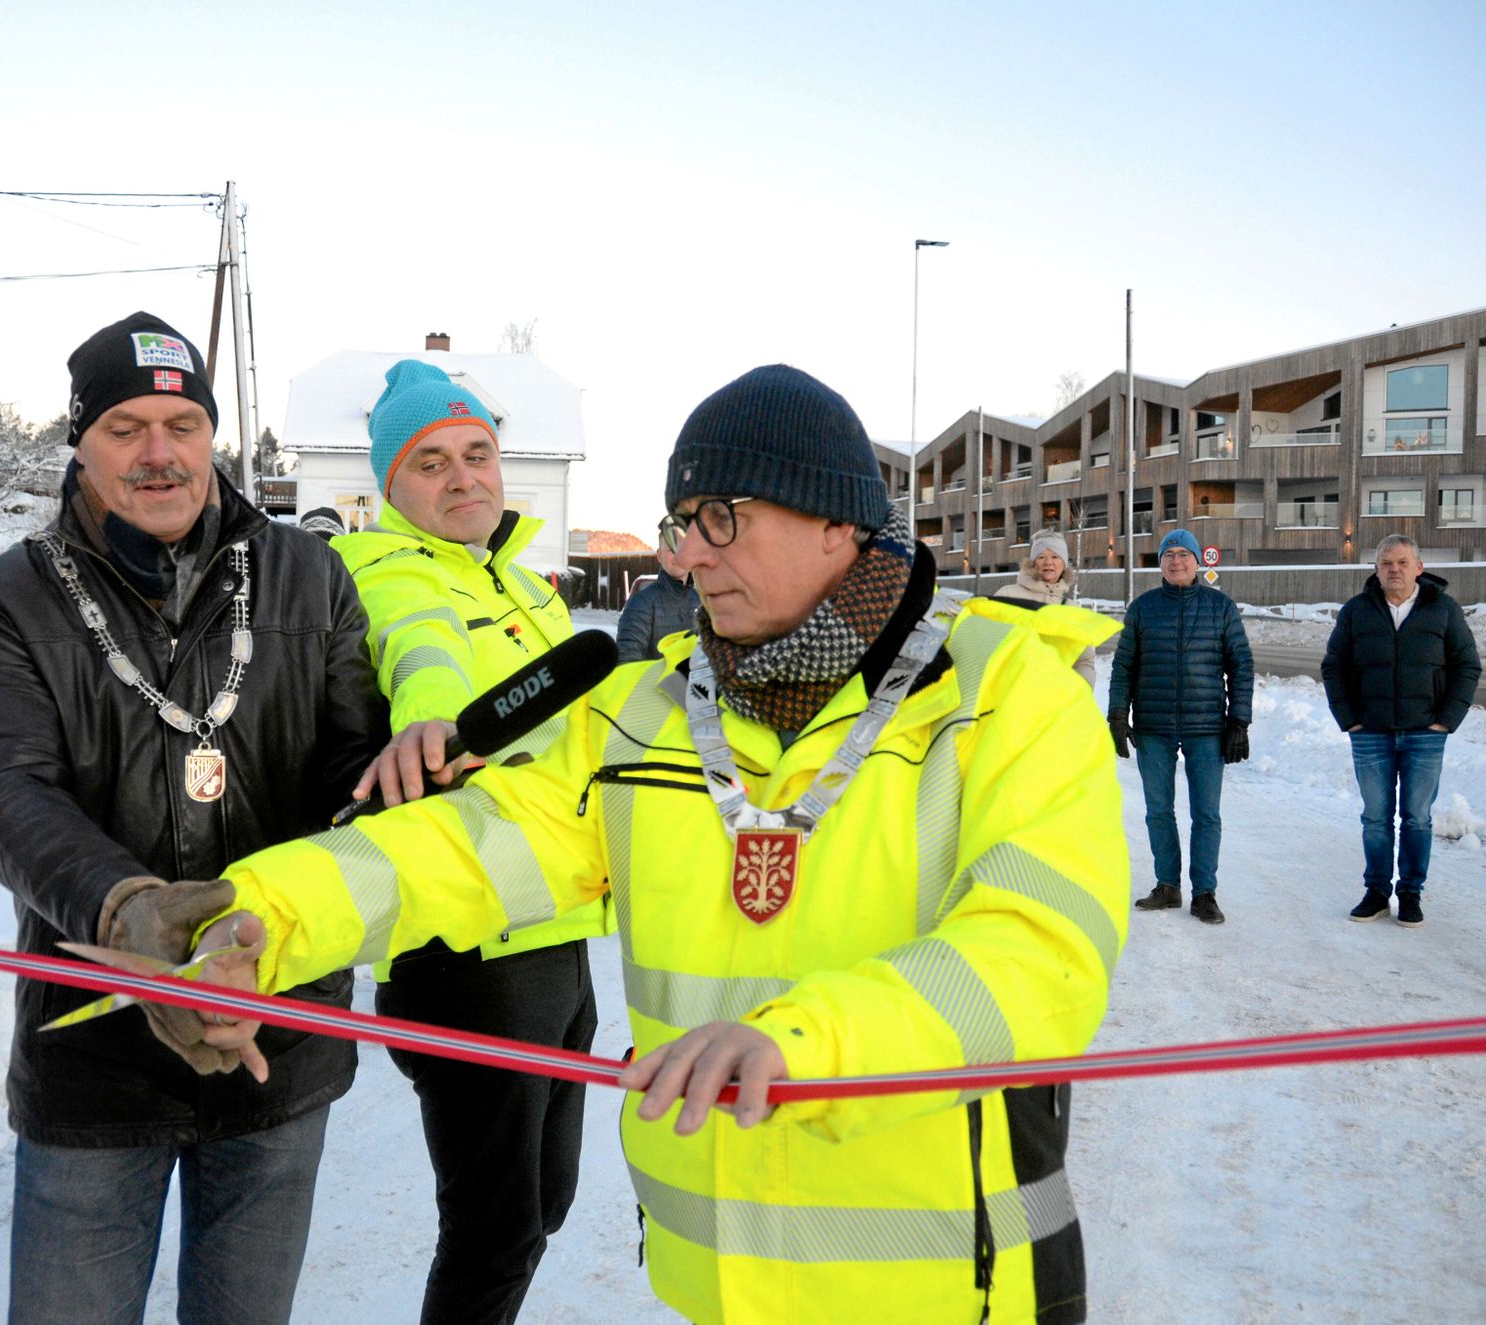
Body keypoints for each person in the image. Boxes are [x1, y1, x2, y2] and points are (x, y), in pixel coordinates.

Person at [180, 364, 1128, 1323]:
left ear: (837, 520)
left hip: (958, 1285)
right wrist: (262, 916)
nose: (692, 554)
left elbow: (1038, 952)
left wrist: (808, 1045)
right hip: (716, 1287)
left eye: (723, 516)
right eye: (682, 522)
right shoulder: (642, 713)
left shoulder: (1008, 694)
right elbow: (463, 847)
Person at [0, 312, 388, 1325]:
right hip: (94, 1053)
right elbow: (5, 790)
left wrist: (405, 783)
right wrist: (128, 910)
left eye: (183, 424)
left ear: (212, 434)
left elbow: (348, 763)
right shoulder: (3, 598)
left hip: (280, 1026)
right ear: (79, 443)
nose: (159, 453)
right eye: (126, 426)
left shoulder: (309, 575)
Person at [327, 357, 613, 1325]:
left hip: (554, 922)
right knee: (493, 1225)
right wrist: (431, 720)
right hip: (469, 943)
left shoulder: (527, 589)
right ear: (389, 486)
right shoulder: (383, 572)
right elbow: (422, 649)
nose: (462, 479)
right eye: (430, 462)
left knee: (545, 1203)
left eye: (477, 454)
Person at [1321, 535, 1480, 926]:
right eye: (1386, 563)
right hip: (1370, 732)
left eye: (1402, 562)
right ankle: (1377, 891)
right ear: (1376, 569)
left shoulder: (1443, 609)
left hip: (1425, 733)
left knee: (1417, 818)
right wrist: (1350, 720)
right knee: (1375, 817)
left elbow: (1467, 666)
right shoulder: (1357, 611)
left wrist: (1447, 720)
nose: (1395, 569)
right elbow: (1333, 667)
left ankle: (1410, 891)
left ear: (1419, 568)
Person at [1108, 527, 1253, 924]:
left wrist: (1239, 719)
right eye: (1169, 555)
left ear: (1197, 561)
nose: (1176, 561)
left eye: (1183, 554)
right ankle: (1167, 885)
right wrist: (1118, 714)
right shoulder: (1143, 608)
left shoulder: (1221, 607)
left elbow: (1241, 665)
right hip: (1153, 725)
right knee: (1158, 810)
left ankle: (1204, 892)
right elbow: (1124, 666)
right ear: (1160, 563)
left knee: (1206, 813)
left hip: (1206, 727)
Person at [993, 530, 1097, 689]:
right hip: (1012, 699)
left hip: (1053, 704)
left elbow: (1083, 661)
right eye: (1041, 557)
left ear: (1064, 564)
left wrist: (1077, 696)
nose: (1048, 562)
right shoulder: (1008, 595)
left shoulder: (1071, 608)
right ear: (1032, 563)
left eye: (1055, 556)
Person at [616, 533, 701, 662]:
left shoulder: (702, 602)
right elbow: (627, 663)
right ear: (660, 556)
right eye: (671, 550)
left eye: (683, 549)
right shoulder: (641, 603)